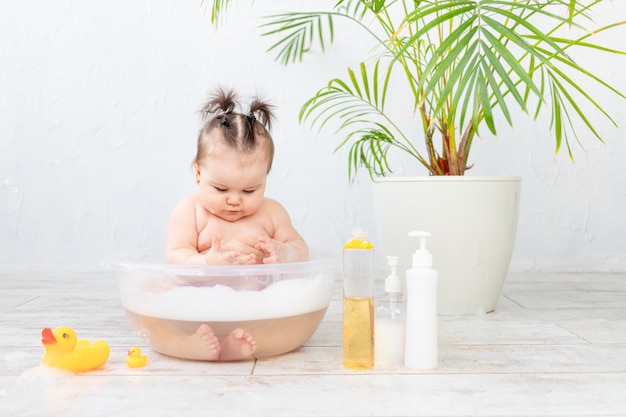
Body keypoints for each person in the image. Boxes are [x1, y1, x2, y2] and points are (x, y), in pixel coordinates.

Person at [157, 88, 309, 361]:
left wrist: (285, 253)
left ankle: (233, 345)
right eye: (221, 189)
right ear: (198, 172)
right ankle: (186, 342)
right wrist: (205, 264)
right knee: (160, 295)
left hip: (255, 305)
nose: (235, 200)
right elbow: (175, 256)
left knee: (287, 306)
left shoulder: (272, 212)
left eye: (250, 190)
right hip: (200, 303)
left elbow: (300, 249)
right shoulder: (190, 211)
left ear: (266, 177)